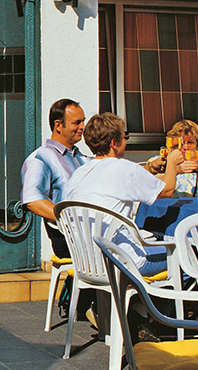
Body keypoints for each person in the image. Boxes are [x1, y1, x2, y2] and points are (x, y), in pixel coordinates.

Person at [64, 112, 181, 276]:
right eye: (125, 137)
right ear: (114, 143)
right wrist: (173, 163)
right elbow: (167, 190)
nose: (126, 141)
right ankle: (164, 302)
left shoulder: (79, 173)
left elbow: (126, 183)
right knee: (191, 254)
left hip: (89, 264)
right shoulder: (124, 168)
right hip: (124, 262)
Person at [20, 98, 88, 259]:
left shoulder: (80, 157)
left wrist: (149, 167)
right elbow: (33, 200)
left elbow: (109, 170)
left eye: (83, 122)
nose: (83, 127)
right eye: (77, 122)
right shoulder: (41, 158)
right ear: (58, 125)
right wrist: (70, 220)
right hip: (69, 239)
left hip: (90, 234)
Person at [144, 119, 198, 196]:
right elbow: (145, 185)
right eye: (181, 142)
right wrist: (175, 170)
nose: (185, 146)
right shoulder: (158, 162)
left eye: (190, 142)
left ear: (197, 145)